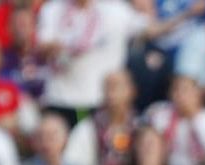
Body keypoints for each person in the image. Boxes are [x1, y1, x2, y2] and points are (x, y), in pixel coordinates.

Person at [36, 0, 149, 129]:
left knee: (90, 140)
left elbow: (148, 28)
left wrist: (176, 21)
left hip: (94, 99)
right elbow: (41, 47)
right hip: (59, 97)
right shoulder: (53, 8)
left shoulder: (115, 9)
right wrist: (58, 48)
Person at [64, 69, 138, 165]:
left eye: (117, 85)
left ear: (132, 90)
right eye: (107, 87)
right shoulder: (88, 128)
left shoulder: (141, 125)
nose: (112, 91)